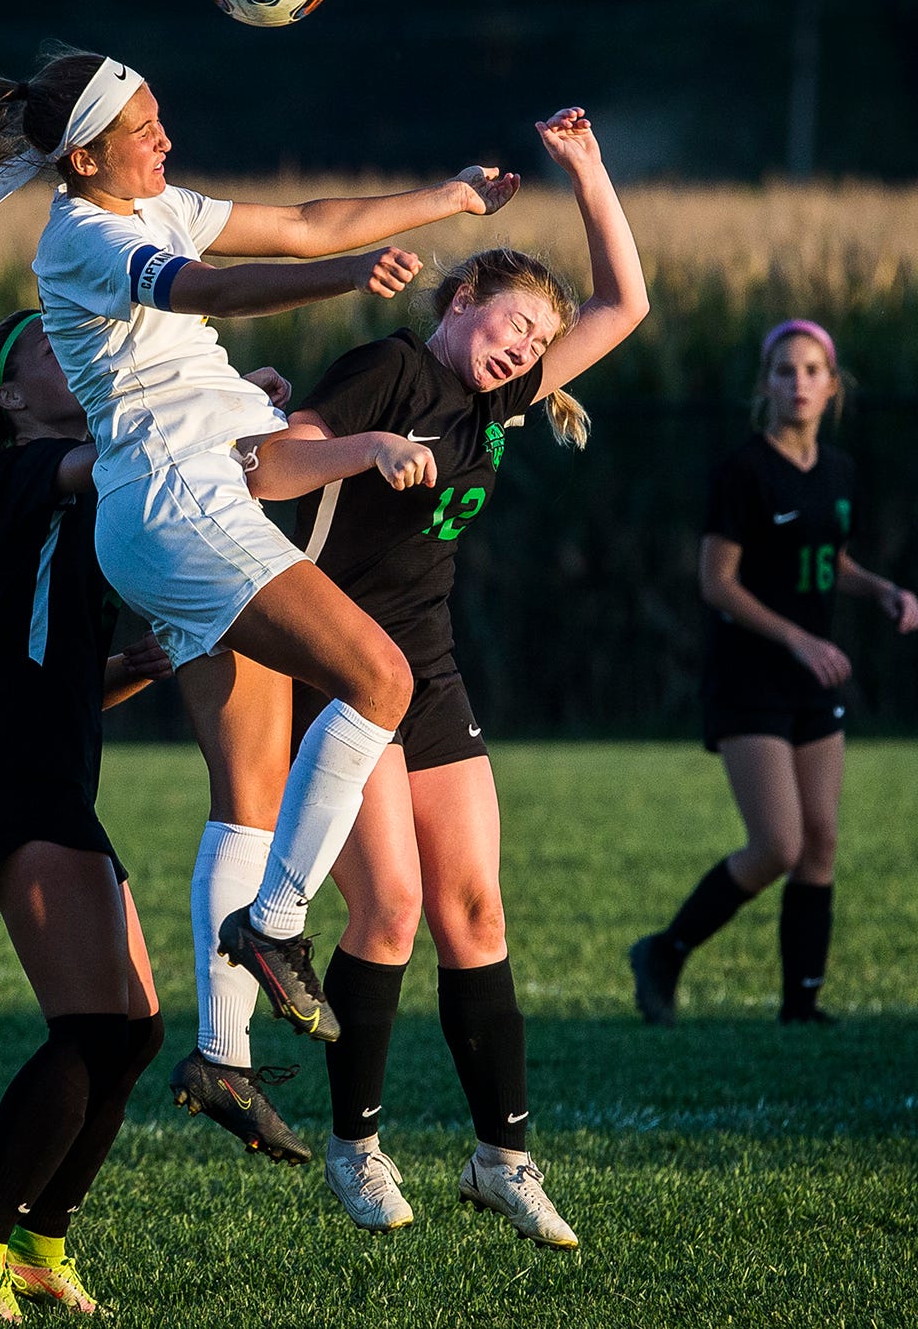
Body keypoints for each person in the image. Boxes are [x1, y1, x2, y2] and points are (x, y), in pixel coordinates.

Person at [0, 45, 519, 1160]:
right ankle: (273, 930)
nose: (165, 137)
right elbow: (210, 290)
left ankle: (228, 1039)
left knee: (261, 778)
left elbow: (312, 219)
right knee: (380, 677)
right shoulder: (84, 232)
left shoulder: (152, 200)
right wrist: (345, 281)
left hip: (193, 492)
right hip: (179, 501)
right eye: (145, 125)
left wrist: (451, 195)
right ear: (85, 153)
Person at [238, 107, 649, 1247]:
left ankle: (500, 1158)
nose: (525, 350)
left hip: (432, 671)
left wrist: (589, 169)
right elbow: (270, 465)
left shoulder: (497, 403)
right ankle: (355, 1148)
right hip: (343, 669)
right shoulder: (387, 368)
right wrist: (363, 450)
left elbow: (627, 306)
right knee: (394, 908)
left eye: (536, 342)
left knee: (475, 911)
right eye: (512, 324)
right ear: (462, 302)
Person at [0, 309, 171, 1323]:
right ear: (12, 400)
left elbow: (41, 671)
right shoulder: (23, 477)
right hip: (9, 781)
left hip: (41, 776)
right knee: (90, 1028)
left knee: (137, 1032)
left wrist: (129, 673)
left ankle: (36, 1244)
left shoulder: (60, 506)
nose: (82, 352)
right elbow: (117, 466)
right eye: (55, 349)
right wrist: (210, 410)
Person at [628, 320, 918, 1029]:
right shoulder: (743, 472)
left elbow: (831, 561)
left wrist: (883, 591)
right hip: (749, 679)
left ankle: (802, 1005)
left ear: (832, 384)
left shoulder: (840, 471)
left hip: (810, 679)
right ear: (765, 385)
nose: (799, 383)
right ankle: (663, 952)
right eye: (785, 371)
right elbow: (717, 582)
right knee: (778, 846)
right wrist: (796, 639)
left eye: (813, 370)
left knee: (821, 840)